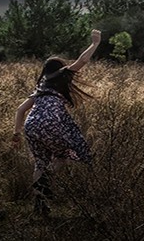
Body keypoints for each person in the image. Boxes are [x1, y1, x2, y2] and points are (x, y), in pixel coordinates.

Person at [12, 29, 101, 216]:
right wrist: (94, 43)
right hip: (50, 123)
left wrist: (16, 133)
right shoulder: (61, 76)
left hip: (31, 125)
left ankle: (40, 204)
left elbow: (20, 110)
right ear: (59, 68)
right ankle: (45, 179)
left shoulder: (41, 86)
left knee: (40, 162)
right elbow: (83, 61)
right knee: (64, 155)